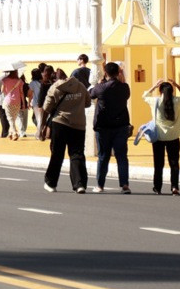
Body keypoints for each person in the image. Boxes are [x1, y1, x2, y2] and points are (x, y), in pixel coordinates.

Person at [41, 72, 91, 194]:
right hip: (78, 124)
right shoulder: (80, 86)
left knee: (57, 153)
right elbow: (88, 103)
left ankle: (51, 183)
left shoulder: (55, 88)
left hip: (60, 123)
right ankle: (79, 184)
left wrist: (41, 126)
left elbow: (46, 108)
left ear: (55, 79)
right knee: (77, 153)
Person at [144, 78, 180, 195]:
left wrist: (154, 86)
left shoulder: (155, 101)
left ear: (160, 91)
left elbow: (145, 95)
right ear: (172, 91)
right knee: (174, 163)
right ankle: (175, 187)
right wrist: (177, 85)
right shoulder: (177, 101)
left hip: (159, 137)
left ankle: (157, 187)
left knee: (158, 163)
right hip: (173, 137)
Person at [90, 61, 132, 194]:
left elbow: (91, 94)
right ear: (118, 73)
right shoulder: (125, 87)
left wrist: (100, 82)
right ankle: (124, 184)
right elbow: (124, 90)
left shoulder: (101, 87)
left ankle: (100, 185)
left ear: (106, 73)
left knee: (103, 156)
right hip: (120, 126)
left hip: (103, 127)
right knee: (122, 156)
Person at [1, 71, 27, 140]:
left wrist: (8, 93)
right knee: (13, 119)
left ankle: (15, 133)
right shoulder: (19, 81)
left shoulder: (5, 80)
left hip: (8, 101)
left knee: (10, 118)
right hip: (17, 101)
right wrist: (23, 103)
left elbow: (2, 90)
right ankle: (10, 133)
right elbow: (21, 93)